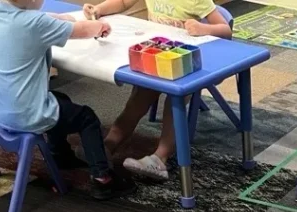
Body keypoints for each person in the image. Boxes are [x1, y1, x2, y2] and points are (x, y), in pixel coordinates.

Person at [0, 0, 136, 200]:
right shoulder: (35, 23)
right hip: (26, 114)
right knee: (86, 117)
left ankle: (60, 155)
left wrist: (59, 18)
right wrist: (100, 26)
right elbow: (80, 30)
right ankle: (103, 179)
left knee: (60, 98)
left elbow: (37, 19)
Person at [82, 0, 232, 181]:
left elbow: (225, 29)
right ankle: (109, 144)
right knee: (137, 101)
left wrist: (203, 28)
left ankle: (160, 158)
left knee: (175, 102)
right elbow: (122, 2)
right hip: (155, 57)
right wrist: (99, 9)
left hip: (183, 63)